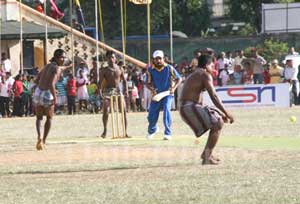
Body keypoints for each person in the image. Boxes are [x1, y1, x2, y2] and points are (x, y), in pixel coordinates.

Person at [179, 54, 234, 165]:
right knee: (218, 123)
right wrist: (227, 113)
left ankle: (207, 154)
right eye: (212, 65)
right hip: (189, 107)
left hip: (186, 107)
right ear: (207, 65)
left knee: (217, 121)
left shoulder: (195, 74)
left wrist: (218, 112)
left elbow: (199, 100)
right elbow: (213, 96)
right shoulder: (204, 75)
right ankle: (207, 156)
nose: (213, 68)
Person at [33, 49, 72, 150]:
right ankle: (44, 141)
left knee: (39, 118)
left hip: (38, 92)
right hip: (47, 93)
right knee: (49, 118)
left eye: (64, 57)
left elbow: (36, 80)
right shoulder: (57, 69)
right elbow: (51, 84)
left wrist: (67, 66)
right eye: (62, 57)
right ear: (57, 58)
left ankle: (39, 137)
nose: (63, 59)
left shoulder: (47, 66)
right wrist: (55, 96)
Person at [146, 50, 182, 140]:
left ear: (163, 59)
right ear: (153, 60)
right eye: (156, 59)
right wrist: (152, 89)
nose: (158, 60)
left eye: (160, 58)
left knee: (166, 110)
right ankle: (153, 129)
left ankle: (167, 133)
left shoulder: (169, 68)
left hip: (167, 94)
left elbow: (179, 79)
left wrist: (173, 88)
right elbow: (148, 83)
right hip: (157, 94)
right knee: (151, 116)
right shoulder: (150, 70)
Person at [98, 50, 129, 138]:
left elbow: (125, 81)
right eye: (109, 57)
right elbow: (100, 83)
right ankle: (105, 130)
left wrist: (126, 91)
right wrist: (100, 92)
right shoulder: (104, 70)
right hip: (108, 91)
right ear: (107, 59)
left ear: (115, 59)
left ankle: (125, 132)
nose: (111, 59)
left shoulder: (120, 69)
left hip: (118, 90)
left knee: (123, 111)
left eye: (113, 57)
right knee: (106, 110)